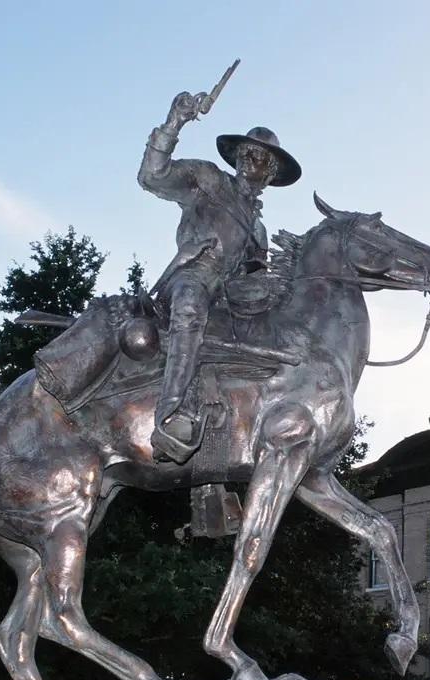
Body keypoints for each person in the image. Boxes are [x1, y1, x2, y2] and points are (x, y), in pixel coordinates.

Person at [138, 88, 301, 463]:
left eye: (259, 157)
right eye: (245, 153)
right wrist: (175, 121)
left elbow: (254, 277)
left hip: (231, 298)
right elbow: (153, 176)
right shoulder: (208, 179)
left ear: (270, 173)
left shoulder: (258, 230)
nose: (249, 160)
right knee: (191, 309)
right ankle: (170, 416)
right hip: (194, 275)